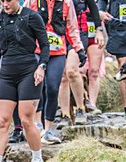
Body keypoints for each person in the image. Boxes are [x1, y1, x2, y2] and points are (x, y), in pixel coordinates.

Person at [0, 0, 50, 162]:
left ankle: (37, 159)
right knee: (2, 120)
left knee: (26, 119)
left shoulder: (31, 16)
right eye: (2, 1)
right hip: (7, 73)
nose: (5, 4)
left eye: (8, 1)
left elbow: (45, 45)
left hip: (29, 71)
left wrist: (41, 67)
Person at [28, 0, 87, 144]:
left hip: (57, 51)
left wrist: (79, 48)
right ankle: (37, 124)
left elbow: (72, 27)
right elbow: (23, 20)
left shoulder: (66, 3)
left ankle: (48, 130)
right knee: (38, 85)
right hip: (37, 50)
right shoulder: (32, 1)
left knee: (53, 88)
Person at [58, 0, 102, 123]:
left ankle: (81, 108)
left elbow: (93, 7)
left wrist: (99, 29)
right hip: (59, 34)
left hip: (78, 33)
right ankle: (65, 115)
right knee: (62, 77)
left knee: (72, 71)